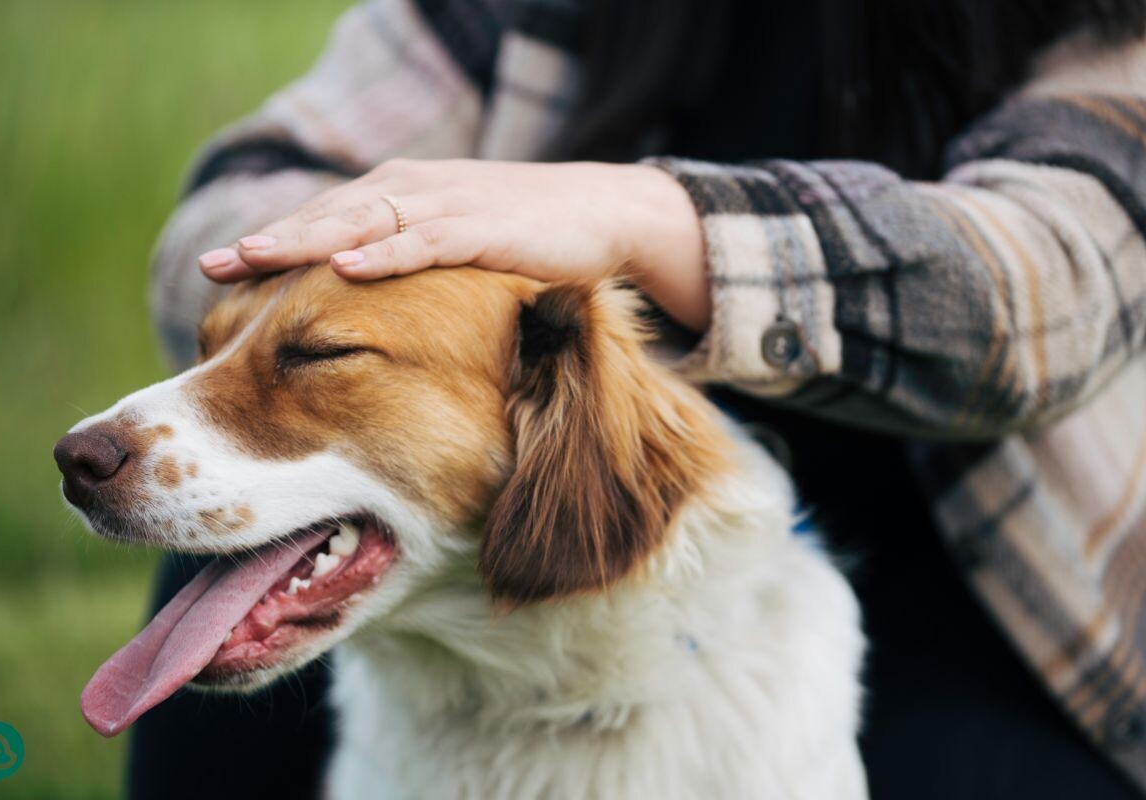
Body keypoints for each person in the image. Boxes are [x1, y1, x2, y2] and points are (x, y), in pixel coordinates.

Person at [134, 1, 1146, 797]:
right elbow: (242, 190)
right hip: (493, 570)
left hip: (1005, 611)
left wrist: (641, 217)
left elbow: (1040, 293)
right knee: (204, 619)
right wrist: (369, 256)